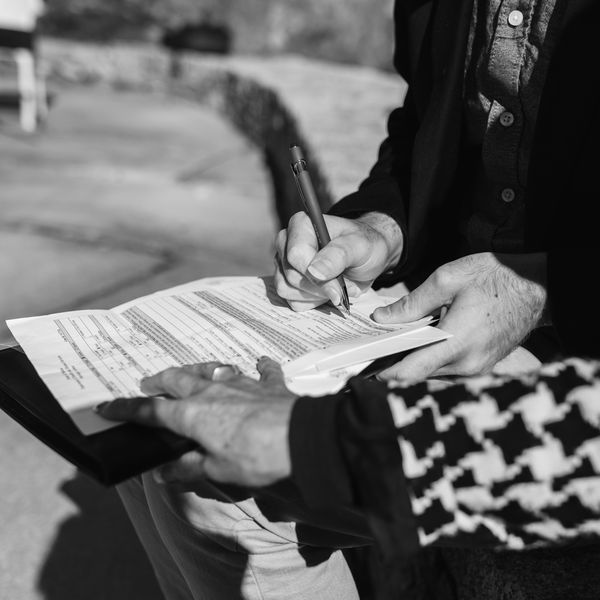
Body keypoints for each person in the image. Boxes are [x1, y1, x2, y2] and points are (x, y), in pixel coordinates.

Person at [109, 0, 600, 598]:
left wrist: (542, 287)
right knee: (158, 425)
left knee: (221, 488)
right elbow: (424, 130)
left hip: (576, 343)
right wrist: (382, 229)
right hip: (439, 307)